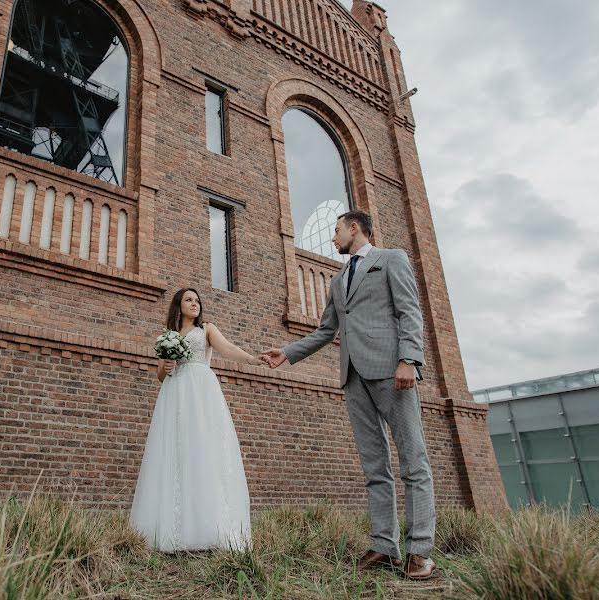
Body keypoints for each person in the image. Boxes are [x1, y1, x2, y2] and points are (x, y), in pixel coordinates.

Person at [261, 211, 437, 580]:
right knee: (374, 466)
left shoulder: (391, 259)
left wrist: (409, 359)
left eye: (336, 231)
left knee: (413, 461)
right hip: (353, 376)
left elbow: (409, 311)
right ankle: (384, 546)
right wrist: (289, 353)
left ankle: (419, 549)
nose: (333, 239)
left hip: (392, 370)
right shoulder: (339, 279)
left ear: (354, 228)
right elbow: (327, 329)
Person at [130, 288, 262, 552]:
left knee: (204, 450)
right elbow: (159, 373)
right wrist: (165, 367)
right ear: (178, 306)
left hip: (201, 392)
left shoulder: (207, 330)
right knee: (175, 452)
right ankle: (173, 529)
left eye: (197, 300)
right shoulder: (168, 338)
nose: (195, 304)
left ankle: (211, 528)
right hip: (175, 394)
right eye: (189, 300)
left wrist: (251, 358)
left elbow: (228, 348)